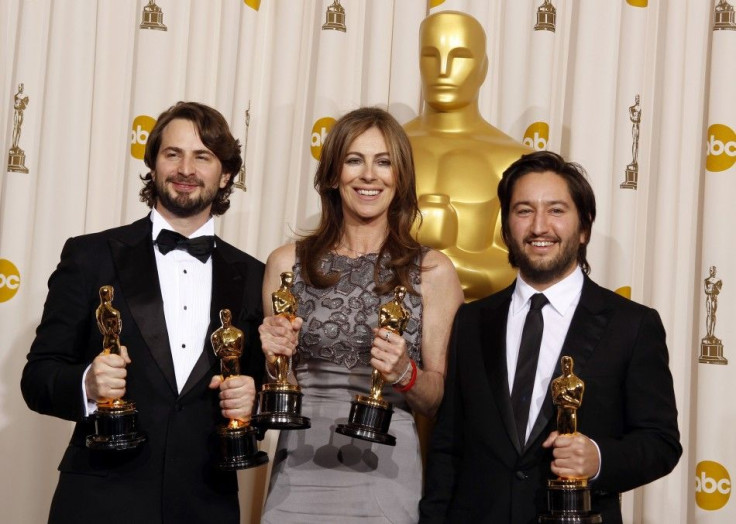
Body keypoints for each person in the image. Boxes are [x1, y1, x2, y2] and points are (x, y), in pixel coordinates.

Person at [21, 101, 265, 524]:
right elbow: (38, 378)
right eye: (173, 154)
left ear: (225, 174)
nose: (185, 169)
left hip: (205, 503)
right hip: (100, 502)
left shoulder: (254, 275)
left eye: (202, 156)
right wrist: (87, 384)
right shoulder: (90, 256)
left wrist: (253, 402)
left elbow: (257, 383)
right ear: (153, 164)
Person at [419, 151, 681, 523]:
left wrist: (599, 458)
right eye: (524, 211)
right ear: (507, 228)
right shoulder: (472, 321)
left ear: (584, 227)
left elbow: (661, 443)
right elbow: (447, 447)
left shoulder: (632, 325)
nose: (539, 226)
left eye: (556, 211)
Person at [257, 107, 463, 523]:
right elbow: (284, 387)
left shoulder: (433, 271)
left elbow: (437, 399)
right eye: (355, 160)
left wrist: (406, 372)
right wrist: (274, 358)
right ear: (334, 174)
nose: (369, 175)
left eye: (383, 162)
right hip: (300, 466)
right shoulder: (285, 263)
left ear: (400, 177)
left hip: (385, 468)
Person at [404, 10, 532, 301]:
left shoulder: (514, 160)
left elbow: (525, 270)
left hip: (476, 332)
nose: (444, 69)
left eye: (460, 56)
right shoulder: (383, 150)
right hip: (376, 332)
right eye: (430, 56)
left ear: (483, 68)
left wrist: (438, 266)